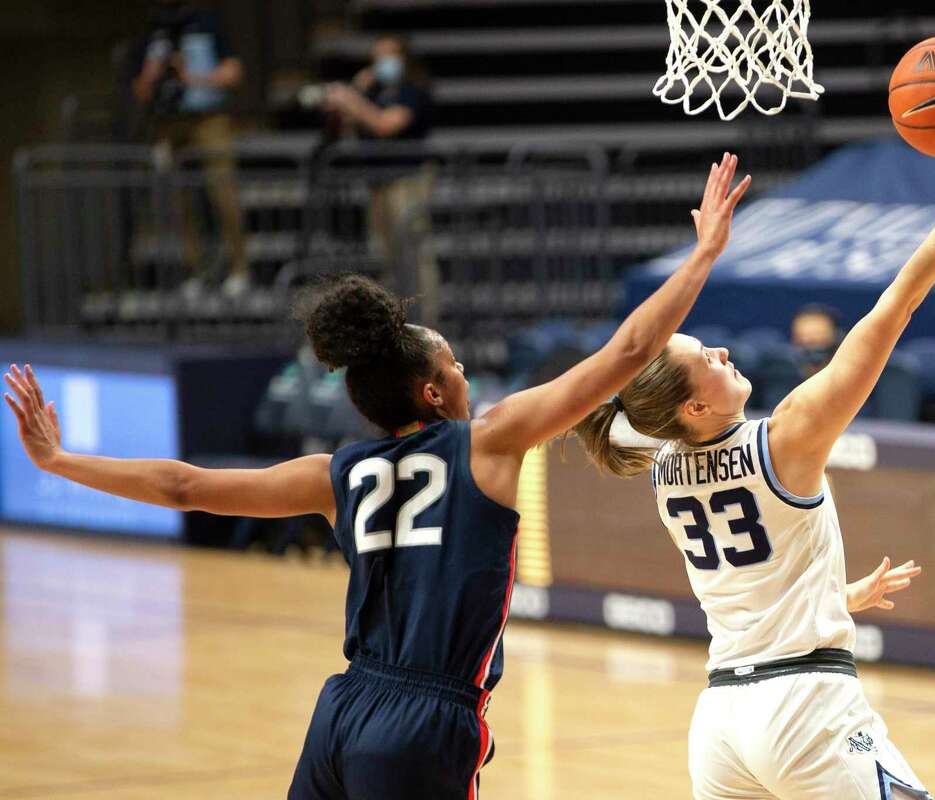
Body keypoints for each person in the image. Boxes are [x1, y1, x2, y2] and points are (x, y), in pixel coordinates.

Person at [3, 154, 752, 800]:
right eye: (455, 365)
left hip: (341, 711)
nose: (464, 375)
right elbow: (626, 354)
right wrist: (703, 256)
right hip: (425, 727)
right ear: (434, 394)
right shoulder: (486, 444)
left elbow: (184, 486)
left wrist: (59, 462)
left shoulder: (338, 473)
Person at [573, 104, 935, 799]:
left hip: (721, 723)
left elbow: (621, 377)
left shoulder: (660, 462)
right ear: (693, 408)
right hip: (804, 708)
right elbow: (895, 306)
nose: (721, 350)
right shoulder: (787, 437)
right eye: (706, 360)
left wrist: (832, 600)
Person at [129, 0, 249, 301]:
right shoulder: (152, 33)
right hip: (170, 123)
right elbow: (140, 92)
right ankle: (196, 271)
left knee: (223, 191)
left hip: (209, 118)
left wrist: (192, 77)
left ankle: (239, 270)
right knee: (180, 201)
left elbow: (234, 73)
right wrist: (154, 72)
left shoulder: (206, 23)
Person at [323, 36, 439, 325]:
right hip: (377, 182)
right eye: (378, 56)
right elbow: (347, 128)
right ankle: (395, 325)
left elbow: (385, 124)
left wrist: (352, 99)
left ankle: (427, 325)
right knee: (385, 257)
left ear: (404, 58)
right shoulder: (373, 91)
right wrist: (355, 93)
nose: (383, 62)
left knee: (413, 253)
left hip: (407, 180)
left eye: (390, 54)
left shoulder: (413, 90)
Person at [790, 303, 842, 379]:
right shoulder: (782, 378)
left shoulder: (851, 375)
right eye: (805, 338)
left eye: (820, 337)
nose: (813, 348)